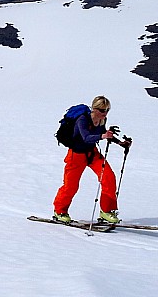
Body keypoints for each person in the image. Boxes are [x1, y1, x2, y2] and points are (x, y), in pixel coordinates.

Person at [53, 95, 122, 224]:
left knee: (108, 177)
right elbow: (86, 137)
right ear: (94, 109)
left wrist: (121, 143)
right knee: (71, 186)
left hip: (92, 154)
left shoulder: (102, 120)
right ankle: (60, 211)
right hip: (76, 156)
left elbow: (101, 134)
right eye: (102, 110)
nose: (105, 113)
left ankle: (106, 211)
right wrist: (103, 135)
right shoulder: (82, 120)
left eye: (107, 110)